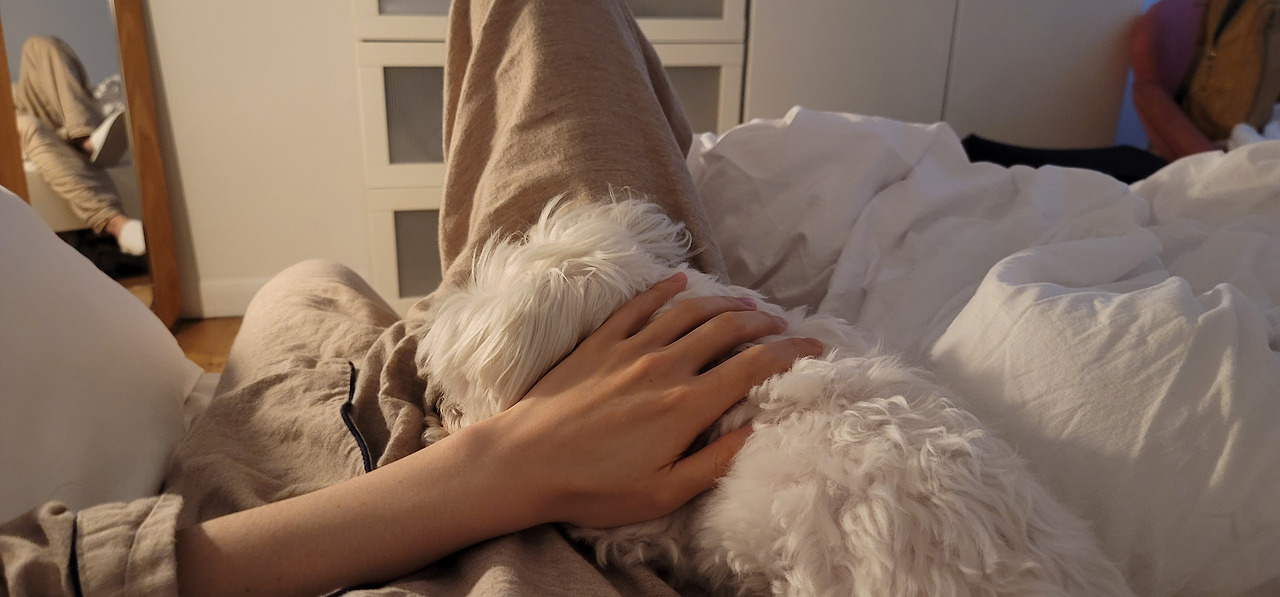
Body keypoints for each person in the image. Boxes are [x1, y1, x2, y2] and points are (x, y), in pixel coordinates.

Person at [0, 1, 822, 595]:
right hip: (482, 487)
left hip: (291, 464)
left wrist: (501, 463)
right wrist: (511, 464)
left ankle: (442, 322)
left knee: (311, 282)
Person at [13, 35, 144, 256]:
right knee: (28, 127)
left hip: (13, 101)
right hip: (12, 128)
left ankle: (85, 137)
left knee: (38, 44)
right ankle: (116, 224)